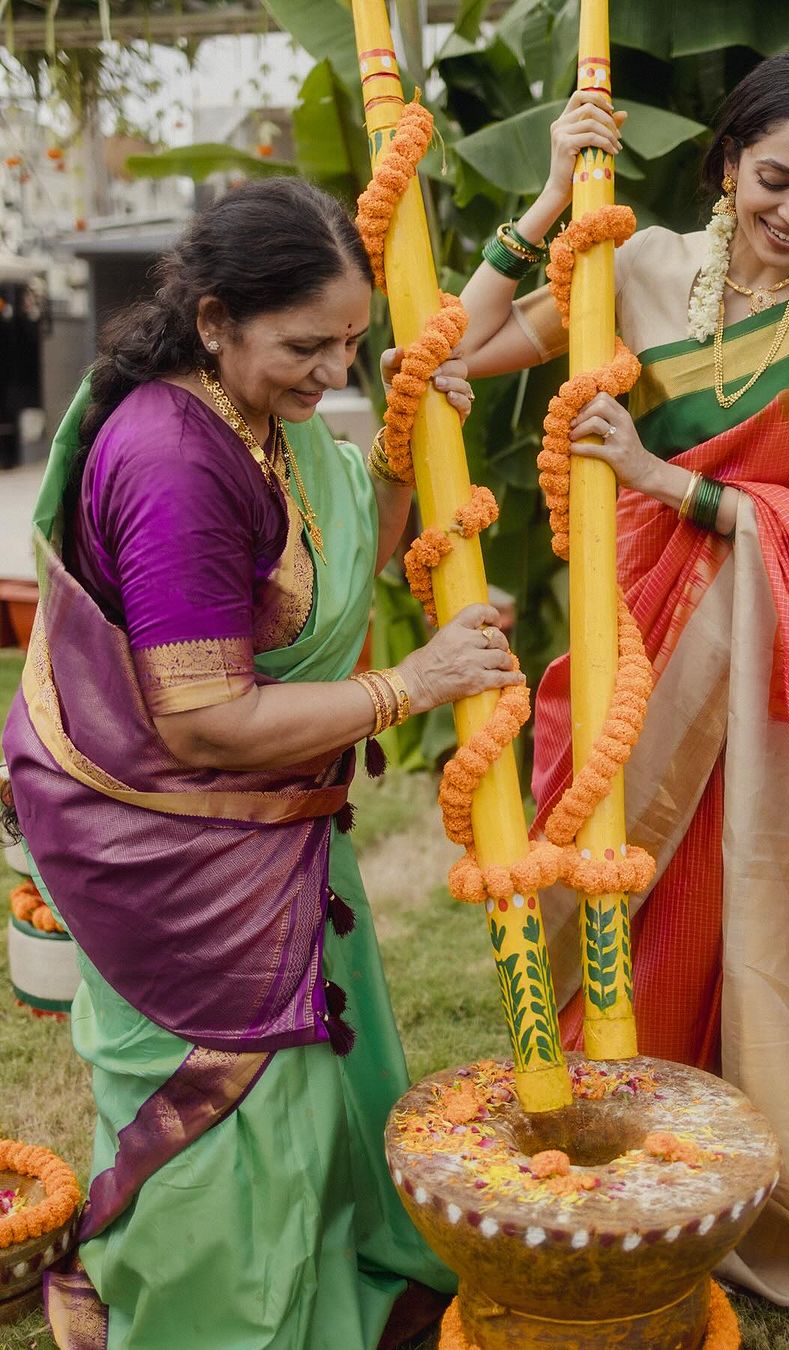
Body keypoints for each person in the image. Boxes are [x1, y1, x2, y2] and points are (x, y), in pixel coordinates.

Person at [459, 51, 789, 1305]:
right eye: (778, 178)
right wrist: (546, 196)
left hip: (769, 678)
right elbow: (455, 349)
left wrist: (663, 477)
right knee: (603, 881)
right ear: (726, 163)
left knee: (727, 905)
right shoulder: (635, 267)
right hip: (628, 638)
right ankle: (600, 1149)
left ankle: (725, 1166)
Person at [1, 177, 523, 1349]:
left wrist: (397, 455)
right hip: (181, 849)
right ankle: (215, 1320)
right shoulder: (173, 464)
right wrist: (416, 685)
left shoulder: (255, 414)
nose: (331, 370)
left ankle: (320, 1284)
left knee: (303, 1088)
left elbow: (328, 574)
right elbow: (201, 723)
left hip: (266, 825)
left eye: (348, 340)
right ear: (214, 319)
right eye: (306, 345)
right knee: (223, 1105)